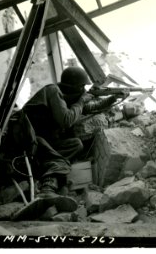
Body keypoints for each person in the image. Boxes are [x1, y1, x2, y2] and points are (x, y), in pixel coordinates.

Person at [22, 66, 118, 198]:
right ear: (71, 86)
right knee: (59, 162)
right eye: (81, 87)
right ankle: (48, 187)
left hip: (45, 140)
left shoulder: (64, 96)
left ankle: (45, 167)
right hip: (30, 140)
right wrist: (81, 101)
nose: (83, 90)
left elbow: (88, 108)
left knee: (76, 144)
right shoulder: (52, 91)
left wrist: (112, 98)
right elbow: (66, 120)